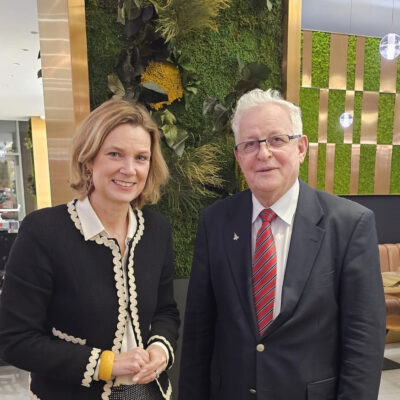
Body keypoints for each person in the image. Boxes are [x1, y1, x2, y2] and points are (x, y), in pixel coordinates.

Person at [179, 89, 386, 400]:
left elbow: (364, 342)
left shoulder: (349, 225)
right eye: (250, 144)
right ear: (238, 156)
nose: (263, 154)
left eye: (276, 140)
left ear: (300, 147)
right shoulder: (215, 222)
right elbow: (199, 332)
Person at [0, 99, 180, 400]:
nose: (129, 169)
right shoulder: (43, 232)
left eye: (141, 157)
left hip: (148, 392)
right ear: (88, 160)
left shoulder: (156, 230)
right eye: (114, 154)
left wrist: (160, 349)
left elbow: (166, 310)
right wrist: (107, 364)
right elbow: (15, 339)